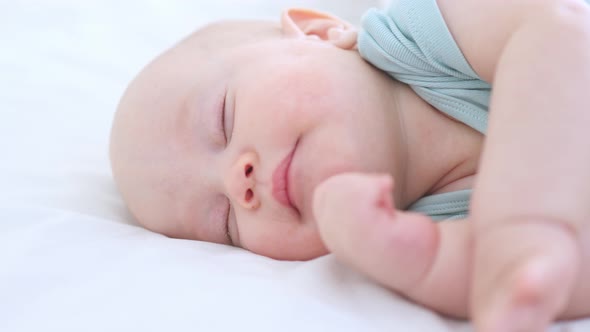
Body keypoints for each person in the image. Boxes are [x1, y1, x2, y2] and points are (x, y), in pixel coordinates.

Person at [109, 0, 590, 331]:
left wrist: (525, 223)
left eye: (223, 119)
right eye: (226, 223)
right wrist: (414, 261)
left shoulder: (424, 34)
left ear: (317, 33)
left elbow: (559, 31)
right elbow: (524, 277)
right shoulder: (414, 225)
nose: (240, 186)